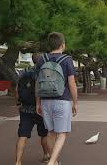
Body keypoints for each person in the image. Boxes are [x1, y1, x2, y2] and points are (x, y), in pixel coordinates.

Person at [36, 32, 78, 165]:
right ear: (63, 45)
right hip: (62, 100)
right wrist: (75, 102)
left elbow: (38, 82)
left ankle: (53, 161)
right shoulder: (67, 60)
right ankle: (52, 162)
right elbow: (71, 83)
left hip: (45, 101)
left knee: (51, 133)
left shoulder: (42, 59)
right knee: (62, 134)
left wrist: (38, 103)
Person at [15, 53, 50, 165]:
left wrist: (18, 102)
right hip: (41, 109)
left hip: (25, 109)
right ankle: (46, 155)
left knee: (23, 135)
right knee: (44, 135)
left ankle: (18, 161)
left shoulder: (24, 72)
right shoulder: (43, 73)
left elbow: (17, 89)